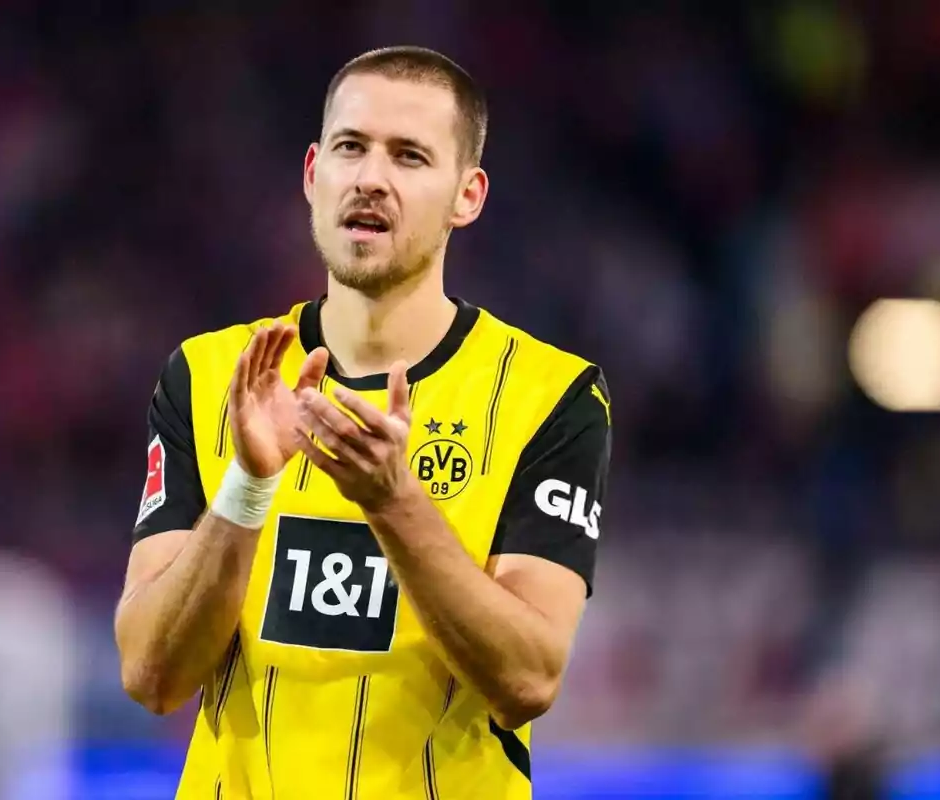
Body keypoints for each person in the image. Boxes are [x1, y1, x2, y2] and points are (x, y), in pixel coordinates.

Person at [115, 45, 613, 800]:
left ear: (466, 196)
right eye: (351, 147)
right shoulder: (208, 375)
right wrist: (248, 487)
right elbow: (151, 676)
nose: (371, 178)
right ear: (314, 173)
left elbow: (528, 677)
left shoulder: (553, 398)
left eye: (410, 156)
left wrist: (392, 501)